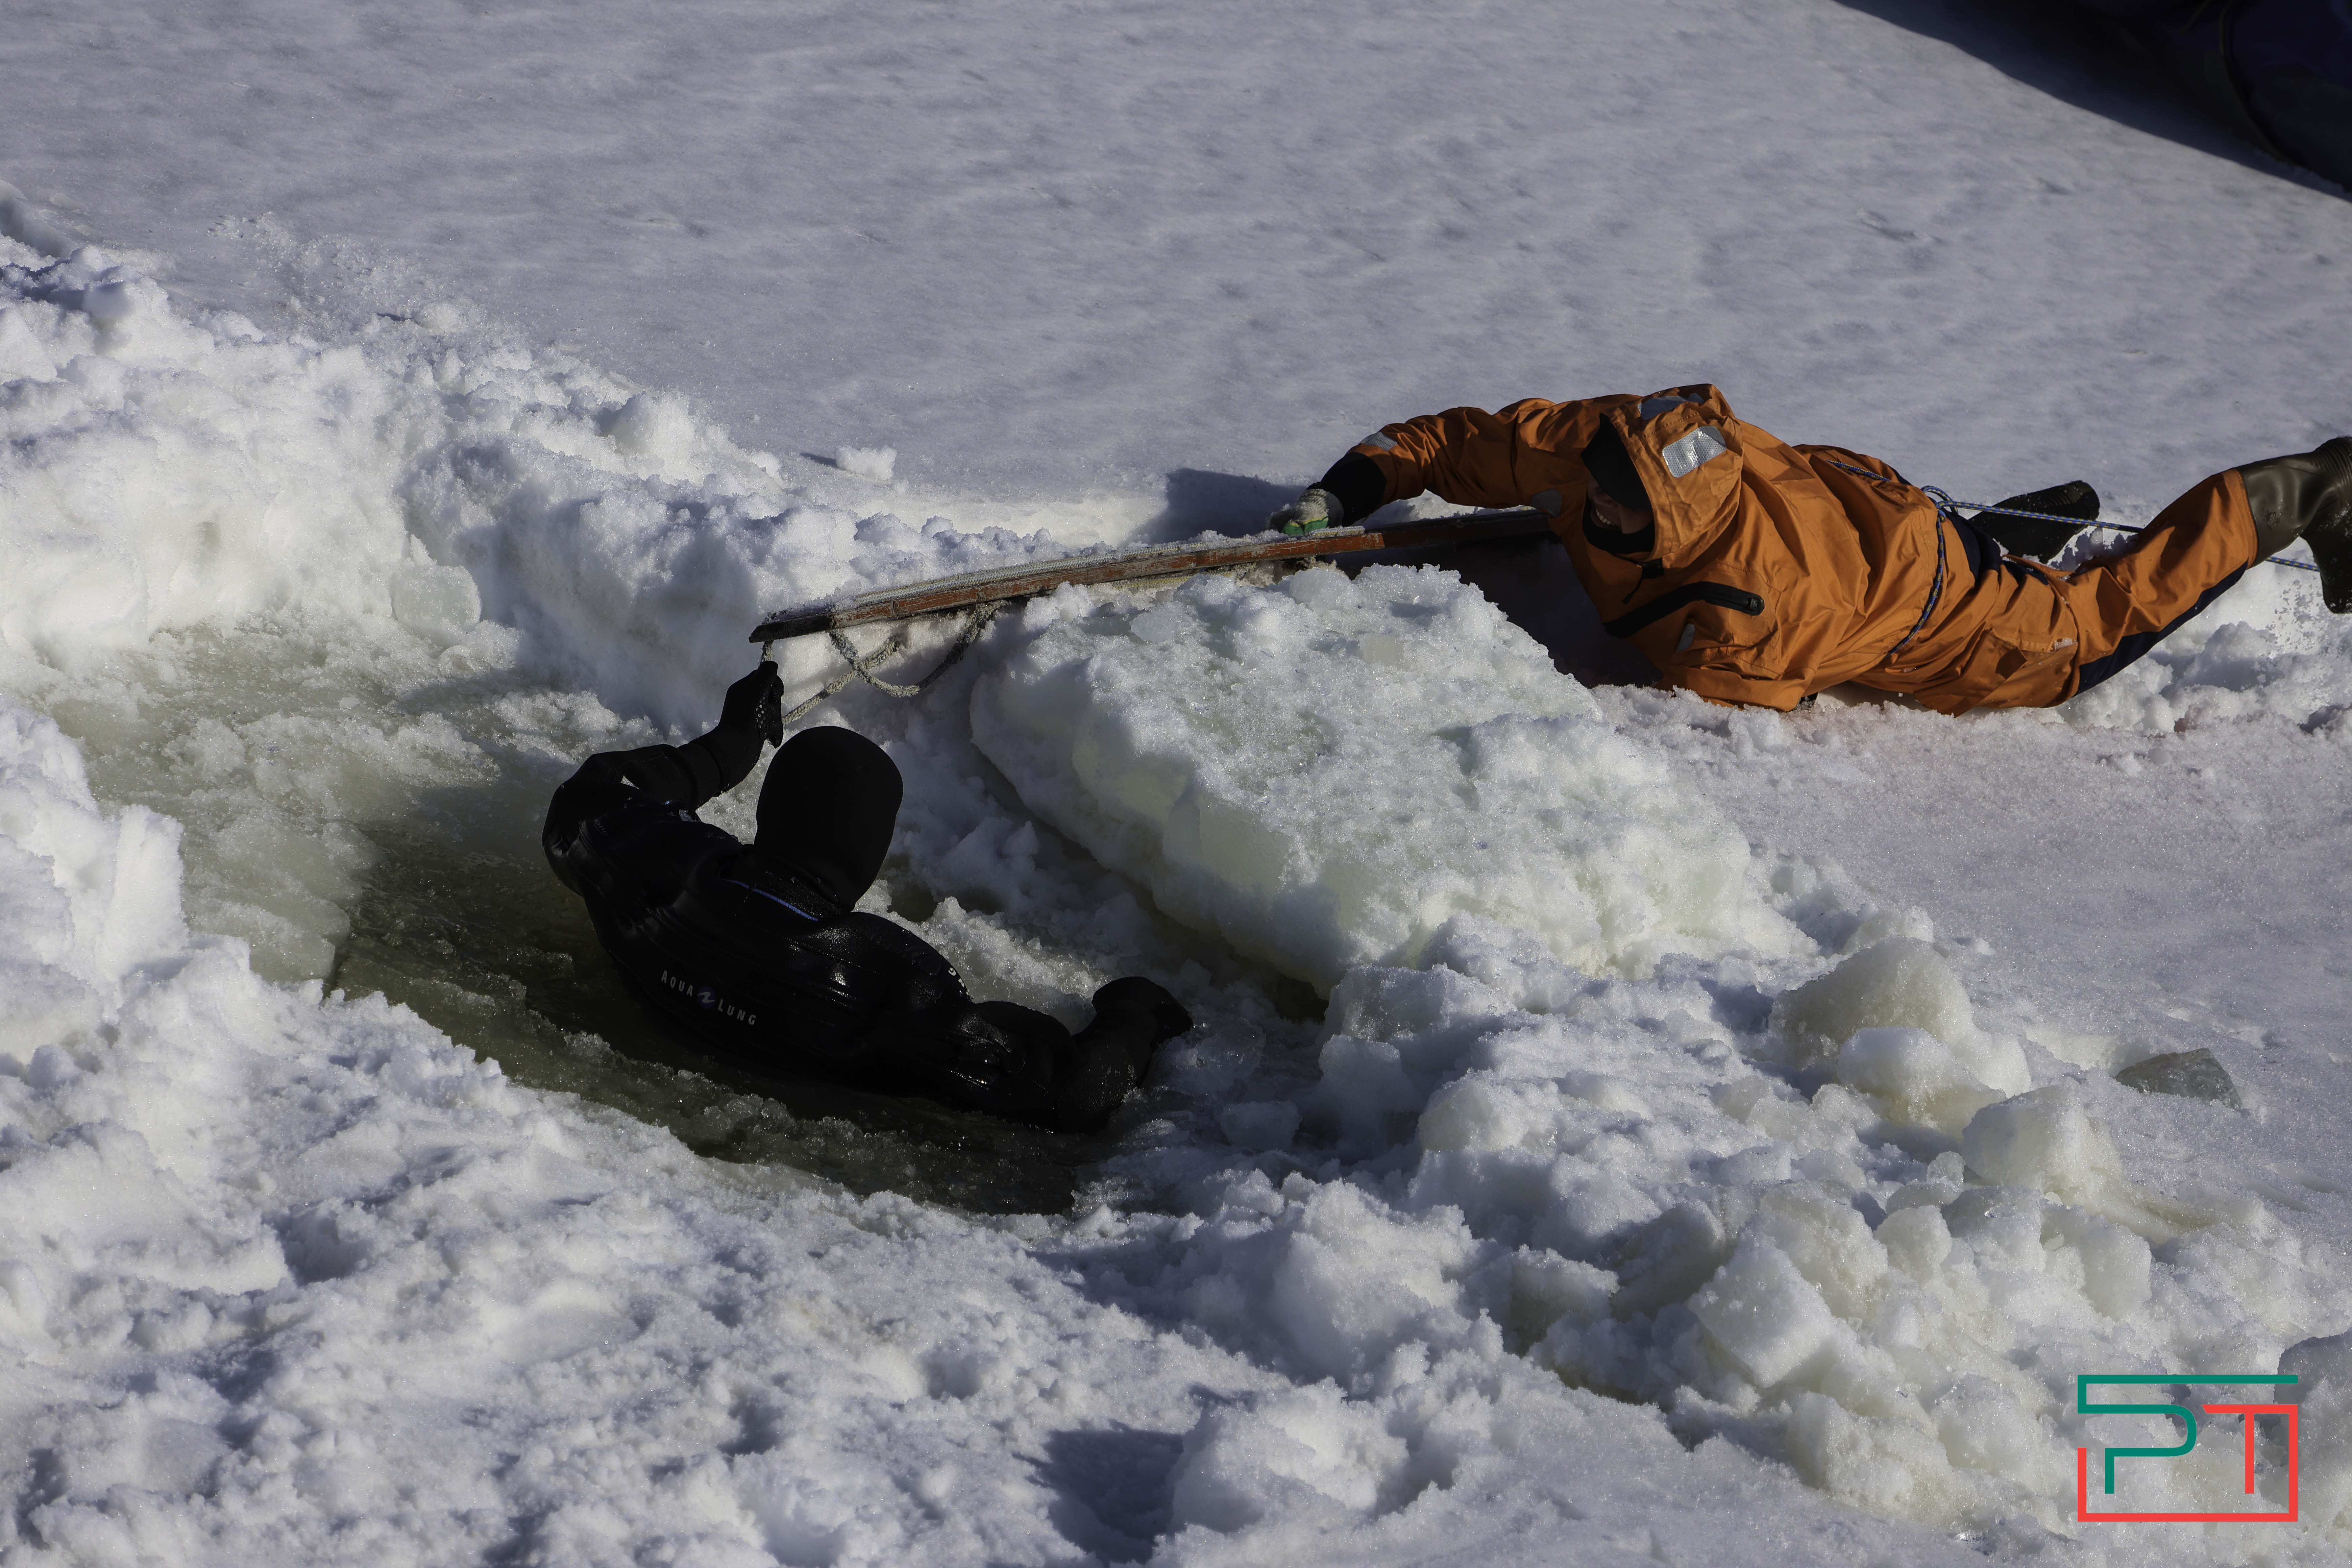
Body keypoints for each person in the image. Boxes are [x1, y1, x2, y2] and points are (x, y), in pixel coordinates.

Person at [1268, 384, 2352, 713]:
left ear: (1676, 533)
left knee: (2096, 628)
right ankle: (2002, 538)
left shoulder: (1744, 622)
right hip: (1865, 514)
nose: (1592, 500)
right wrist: (1339, 494)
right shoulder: (1598, 443)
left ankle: (2309, 490)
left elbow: (1733, 709)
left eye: (1619, 505)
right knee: (1938, 557)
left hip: (1942, 619)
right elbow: (1444, 442)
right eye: (1594, 480)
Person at [542, 665, 1192, 1132]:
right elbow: (1077, 1095)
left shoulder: (653, 864)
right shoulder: (884, 983)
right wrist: (1135, 1011)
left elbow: (591, 796)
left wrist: (732, 744)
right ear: (865, 848)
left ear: (774, 813)